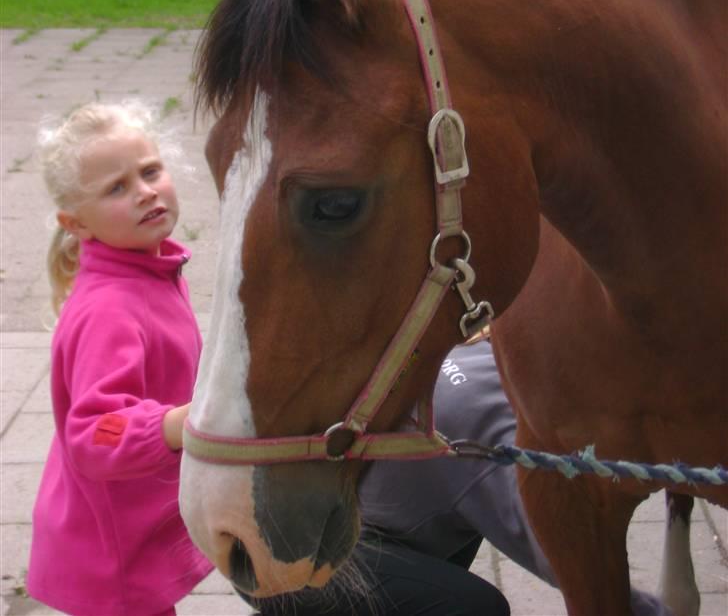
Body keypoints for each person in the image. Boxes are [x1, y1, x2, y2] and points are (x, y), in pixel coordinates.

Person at [253, 337, 672, 616]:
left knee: (458, 511)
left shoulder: (488, 353)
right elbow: (574, 566)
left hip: (297, 523)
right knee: (477, 607)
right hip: (296, 567)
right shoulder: (495, 441)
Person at [27, 101, 212, 616]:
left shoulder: (149, 267)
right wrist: (178, 423)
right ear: (76, 223)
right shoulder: (111, 308)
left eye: (150, 171)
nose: (145, 191)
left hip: (131, 522)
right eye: (117, 188)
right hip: (110, 552)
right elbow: (93, 431)